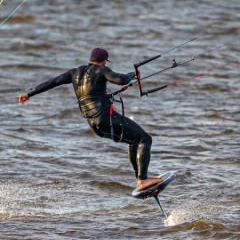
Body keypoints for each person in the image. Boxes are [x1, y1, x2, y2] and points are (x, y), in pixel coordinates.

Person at [18, 47, 163, 191]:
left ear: (90, 59)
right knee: (145, 139)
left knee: (134, 141)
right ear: (104, 61)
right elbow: (120, 79)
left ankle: (140, 180)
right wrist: (133, 74)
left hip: (94, 124)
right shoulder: (102, 70)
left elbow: (52, 82)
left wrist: (29, 94)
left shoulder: (74, 73)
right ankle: (143, 179)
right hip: (106, 118)